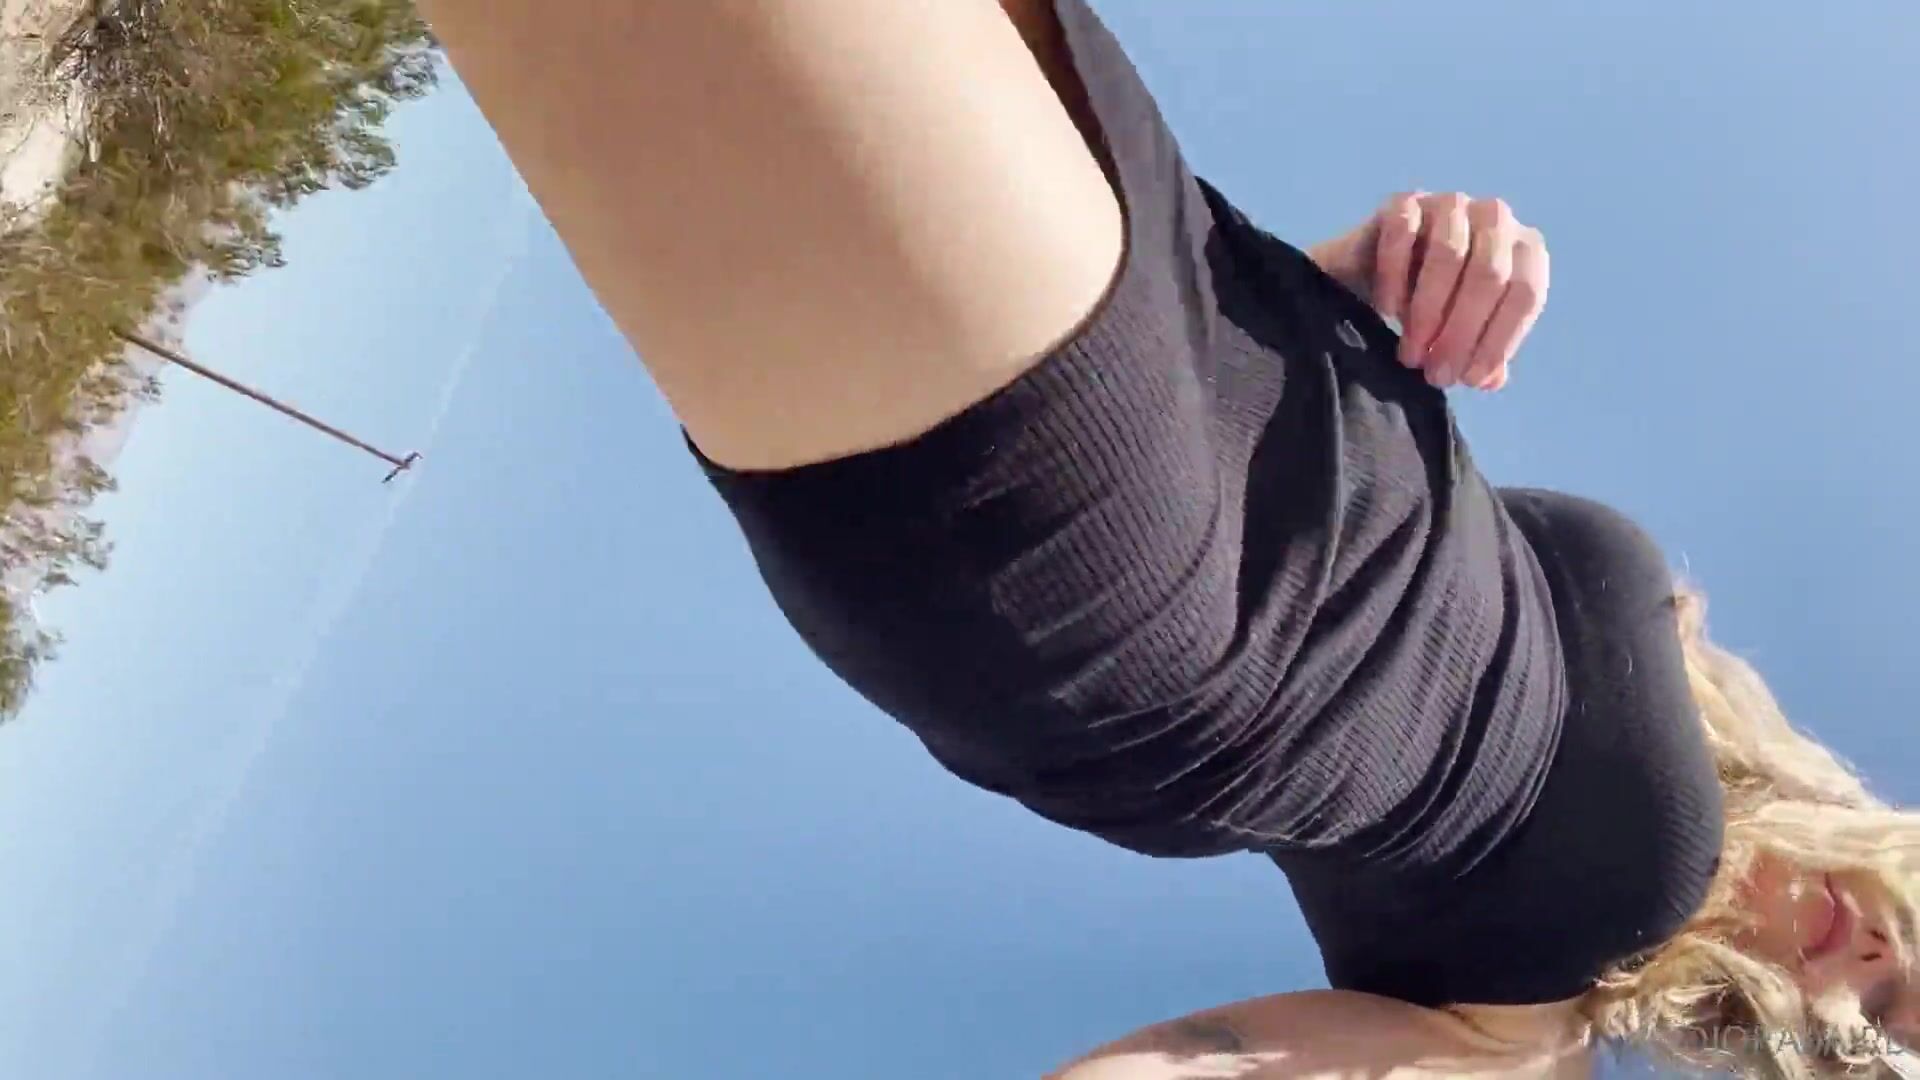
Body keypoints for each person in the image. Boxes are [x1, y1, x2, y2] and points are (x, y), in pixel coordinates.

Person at [417, 1, 1920, 1076]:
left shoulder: (1530, 1028)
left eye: (1889, 1027)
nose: (1878, 970)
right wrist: (1368, 297)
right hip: (1215, 294)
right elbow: (1408, 537)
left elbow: (1230, 1065)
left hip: (1153, 591)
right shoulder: (1693, 704)